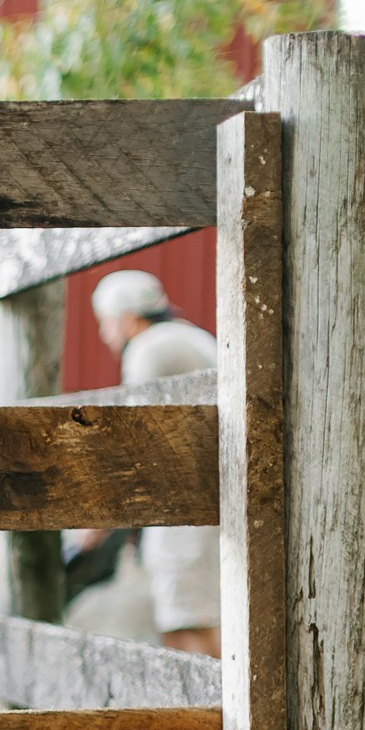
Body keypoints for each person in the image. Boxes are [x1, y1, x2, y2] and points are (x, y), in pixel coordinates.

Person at [92, 269, 222, 656]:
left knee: (187, 619)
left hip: (187, 509)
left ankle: (214, 711)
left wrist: (103, 514)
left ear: (129, 319)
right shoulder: (191, 337)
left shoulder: (149, 349)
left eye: (106, 324)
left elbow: (135, 436)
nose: (104, 335)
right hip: (212, 498)